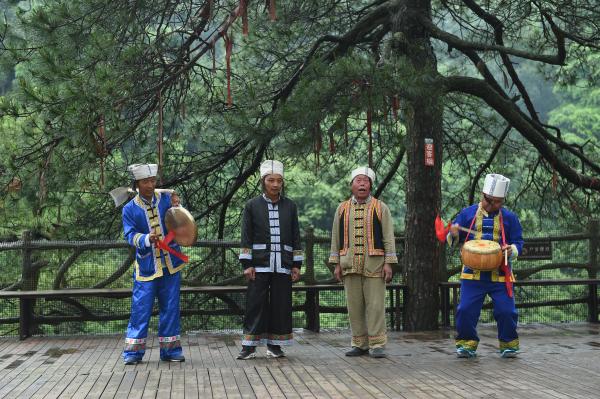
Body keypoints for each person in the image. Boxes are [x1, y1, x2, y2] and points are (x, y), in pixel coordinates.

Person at [449, 173, 524, 358]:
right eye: (489, 200)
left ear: (503, 200)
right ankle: (466, 344)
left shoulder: (510, 218)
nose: (492, 205)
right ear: (483, 195)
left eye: (497, 202)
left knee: (506, 311)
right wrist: (454, 233)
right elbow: (452, 240)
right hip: (472, 273)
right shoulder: (467, 214)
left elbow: (519, 243)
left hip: (500, 273)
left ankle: (509, 344)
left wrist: (511, 249)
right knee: (465, 310)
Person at [237, 160, 303, 360]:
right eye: (271, 180)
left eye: (279, 181)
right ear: (263, 181)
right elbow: (246, 235)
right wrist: (247, 264)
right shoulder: (252, 206)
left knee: (281, 304)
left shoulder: (290, 206)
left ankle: (275, 345)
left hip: (283, 263)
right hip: (259, 264)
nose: (275, 184)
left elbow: (296, 236)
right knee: (255, 304)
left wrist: (296, 264)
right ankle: (249, 345)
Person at [329, 166, 397, 358]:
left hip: (374, 264)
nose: (362, 184)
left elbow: (388, 237)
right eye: (358, 180)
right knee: (354, 305)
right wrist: (336, 264)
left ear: (370, 186)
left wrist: (388, 263)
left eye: (365, 181)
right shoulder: (341, 209)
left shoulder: (380, 207)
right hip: (349, 263)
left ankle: (377, 344)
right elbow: (335, 236)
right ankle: (359, 343)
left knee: (375, 305)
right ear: (351, 185)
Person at [121, 163, 186, 365]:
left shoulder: (166, 199)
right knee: (141, 308)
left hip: (171, 263)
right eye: (145, 181)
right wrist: (146, 239)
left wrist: (177, 203)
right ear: (137, 184)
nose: (150, 185)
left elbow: (180, 218)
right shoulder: (129, 209)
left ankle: (171, 350)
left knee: (171, 307)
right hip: (147, 265)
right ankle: (133, 353)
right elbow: (129, 235)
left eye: (152, 181)